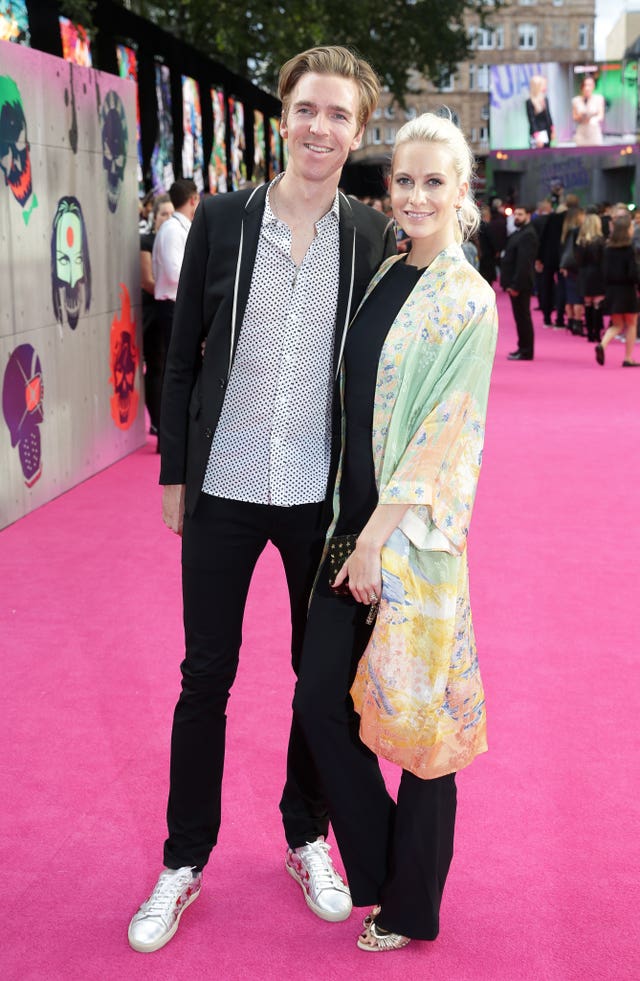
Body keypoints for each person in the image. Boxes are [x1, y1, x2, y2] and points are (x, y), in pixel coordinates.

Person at [127, 46, 396, 954]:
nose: (322, 128)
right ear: (285, 112)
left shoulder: (369, 234)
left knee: (315, 681)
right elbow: (181, 355)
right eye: (309, 109)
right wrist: (174, 470)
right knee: (205, 676)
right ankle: (183, 858)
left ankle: (304, 832)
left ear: (358, 133)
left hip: (317, 498)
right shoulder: (227, 221)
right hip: (224, 483)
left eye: (340, 117)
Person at [293, 110, 497, 952]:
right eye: (404, 180)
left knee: (421, 731)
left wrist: (377, 537)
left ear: (463, 192)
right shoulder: (384, 276)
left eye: (433, 181)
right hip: (353, 525)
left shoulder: (468, 297)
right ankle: (382, 868)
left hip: (411, 543)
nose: (415, 195)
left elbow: (445, 432)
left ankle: (412, 906)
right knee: (319, 702)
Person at [151, 178, 199, 357]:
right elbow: (174, 274)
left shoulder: (179, 227)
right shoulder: (172, 229)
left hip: (177, 306)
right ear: (193, 199)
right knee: (178, 362)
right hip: (172, 306)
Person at [140, 193, 174, 439]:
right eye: (163, 214)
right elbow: (147, 281)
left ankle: (167, 424)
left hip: (172, 307)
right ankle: (157, 422)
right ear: (154, 217)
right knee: (156, 366)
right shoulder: (147, 241)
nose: (168, 219)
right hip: (153, 311)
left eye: (172, 214)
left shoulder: (180, 238)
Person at [596, 215, 640, 366]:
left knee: (617, 325)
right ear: (626, 230)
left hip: (612, 291)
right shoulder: (629, 250)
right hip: (627, 290)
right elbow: (633, 273)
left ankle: (602, 344)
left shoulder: (607, 249)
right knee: (632, 324)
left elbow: (603, 272)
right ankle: (628, 357)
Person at [500, 204, 538, 360]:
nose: (517, 217)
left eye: (520, 214)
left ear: (528, 216)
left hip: (520, 284)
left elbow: (524, 263)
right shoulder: (520, 233)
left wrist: (516, 285)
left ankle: (526, 350)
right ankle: (522, 347)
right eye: (516, 214)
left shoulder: (528, 234)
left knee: (523, 317)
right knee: (520, 317)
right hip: (516, 283)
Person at [574, 210, 605, 343]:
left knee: (587, 303)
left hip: (584, 274)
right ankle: (597, 333)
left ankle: (590, 333)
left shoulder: (580, 241)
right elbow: (603, 260)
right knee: (597, 303)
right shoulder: (601, 241)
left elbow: (577, 260)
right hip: (597, 273)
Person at [559, 206, 585, 335]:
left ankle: (570, 321)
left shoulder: (565, 232)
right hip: (575, 268)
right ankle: (577, 323)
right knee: (577, 298)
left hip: (566, 267)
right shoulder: (576, 232)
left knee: (570, 297)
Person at [572, 75, 604, 147]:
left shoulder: (598, 99)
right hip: (581, 132)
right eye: (586, 85)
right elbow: (574, 117)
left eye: (590, 85)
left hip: (594, 133)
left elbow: (601, 116)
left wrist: (592, 119)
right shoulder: (576, 100)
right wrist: (581, 116)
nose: (587, 88)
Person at [526, 75, 553, 149]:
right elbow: (532, 120)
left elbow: (548, 116)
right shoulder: (530, 102)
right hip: (537, 134)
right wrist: (537, 136)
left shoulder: (545, 99)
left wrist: (552, 129)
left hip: (546, 132)